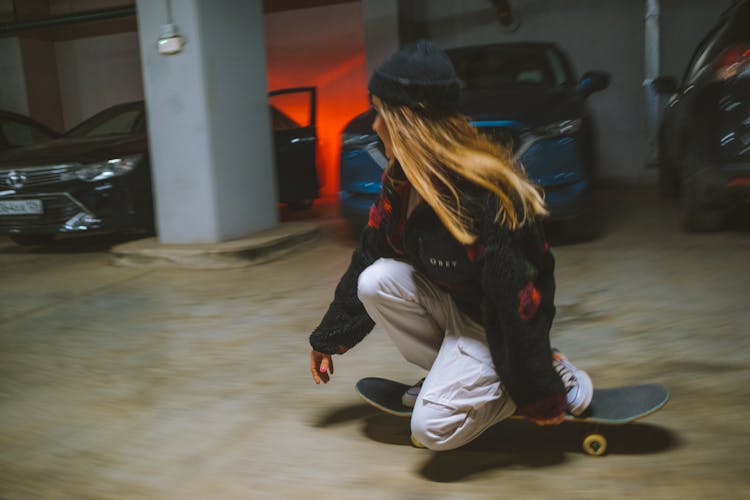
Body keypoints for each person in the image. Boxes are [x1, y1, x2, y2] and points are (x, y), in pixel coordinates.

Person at [308, 40, 593, 451]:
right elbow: (370, 251)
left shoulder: (482, 193)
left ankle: (547, 376)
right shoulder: (401, 181)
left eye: (380, 114)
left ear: (408, 121)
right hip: (453, 307)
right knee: (375, 279)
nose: (373, 127)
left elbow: (517, 303)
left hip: (496, 322)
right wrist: (327, 338)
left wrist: (537, 388)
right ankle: (458, 377)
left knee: (430, 430)